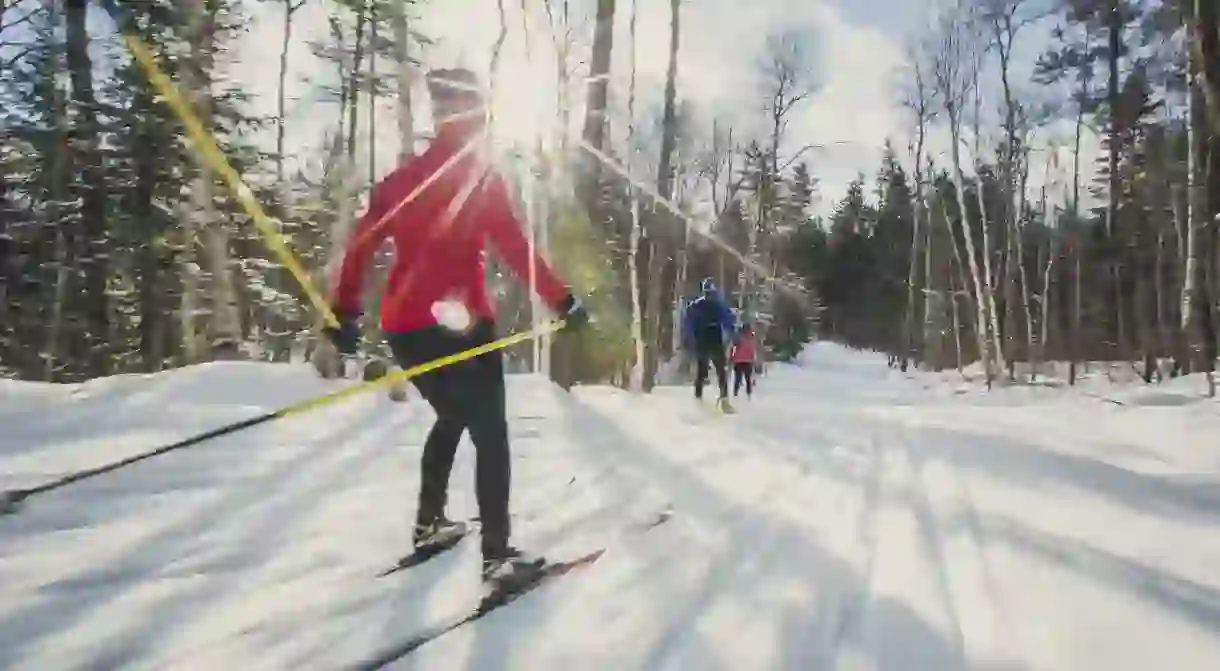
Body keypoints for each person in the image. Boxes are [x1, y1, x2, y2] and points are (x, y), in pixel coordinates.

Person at [325, 67, 588, 586]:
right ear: (476, 115)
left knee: (451, 418)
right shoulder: (479, 180)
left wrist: (345, 313)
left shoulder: (401, 180)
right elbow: (516, 248)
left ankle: (429, 524)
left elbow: (360, 244)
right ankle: (497, 555)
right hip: (462, 328)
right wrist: (563, 300)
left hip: (403, 327)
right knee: (490, 433)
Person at [681, 278, 735, 412]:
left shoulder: (698, 305)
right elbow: (728, 320)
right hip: (710, 339)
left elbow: (688, 322)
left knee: (707, 370)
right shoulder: (714, 305)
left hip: (704, 339)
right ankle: (717, 398)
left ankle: (706, 398)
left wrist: (688, 337)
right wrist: (731, 332)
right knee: (714, 370)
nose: (711, 295)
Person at [730, 321, 759, 399]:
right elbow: (753, 349)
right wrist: (754, 359)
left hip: (738, 360)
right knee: (748, 379)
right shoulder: (751, 336)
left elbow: (733, 347)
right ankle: (748, 395)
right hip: (748, 360)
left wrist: (731, 357)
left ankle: (735, 394)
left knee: (738, 378)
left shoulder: (738, 336)